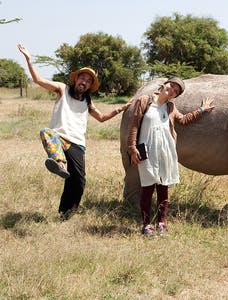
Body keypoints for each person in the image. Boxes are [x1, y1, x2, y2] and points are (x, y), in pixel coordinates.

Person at [18, 43, 132, 220]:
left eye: (88, 81)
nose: (84, 82)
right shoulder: (62, 89)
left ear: (89, 86)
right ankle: (59, 162)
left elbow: (101, 117)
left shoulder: (87, 101)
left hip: (78, 144)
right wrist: (28, 60)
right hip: (59, 138)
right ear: (76, 79)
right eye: (82, 78)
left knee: (78, 182)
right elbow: (39, 81)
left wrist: (121, 108)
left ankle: (66, 214)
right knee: (46, 132)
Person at [127, 77, 214, 237]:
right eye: (171, 85)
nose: (172, 89)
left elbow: (183, 120)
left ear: (175, 96)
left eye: (176, 90)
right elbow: (134, 125)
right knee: (147, 188)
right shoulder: (144, 101)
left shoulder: (170, 107)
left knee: (163, 189)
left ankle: (161, 223)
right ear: (164, 85)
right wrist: (132, 148)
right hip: (147, 150)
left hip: (165, 151)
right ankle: (146, 225)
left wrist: (202, 110)